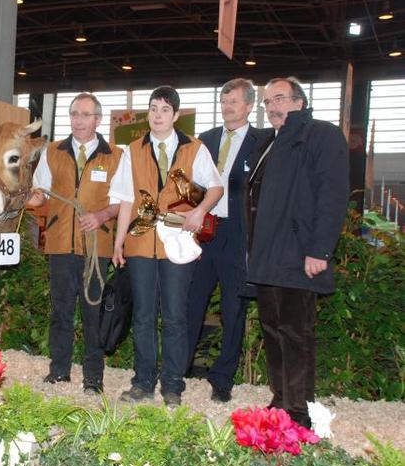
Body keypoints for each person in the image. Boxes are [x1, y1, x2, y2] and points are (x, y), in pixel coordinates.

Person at [111, 86, 223, 406]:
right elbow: (125, 200)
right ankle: (143, 380)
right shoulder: (132, 150)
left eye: (164, 109)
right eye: (152, 109)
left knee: (175, 315)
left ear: (176, 115)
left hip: (178, 243)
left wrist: (200, 211)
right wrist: (119, 243)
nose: (157, 115)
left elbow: (215, 188)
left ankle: (173, 383)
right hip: (141, 242)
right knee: (144, 315)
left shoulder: (194, 148)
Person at [246, 77, 348, 427]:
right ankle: (281, 399)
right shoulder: (270, 142)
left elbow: (332, 196)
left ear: (299, 102)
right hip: (267, 255)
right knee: (272, 328)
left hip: (299, 253)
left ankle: (300, 410)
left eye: (279, 99)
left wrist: (320, 249)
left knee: (295, 330)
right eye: (267, 102)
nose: (272, 107)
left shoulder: (322, 134)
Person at [26, 92, 123, 395]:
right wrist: (28, 198)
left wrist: (101, 215)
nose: (78, 121)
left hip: (97, 247)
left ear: (98, 119)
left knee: (93, 313)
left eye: (85, 115)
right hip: (59, 244)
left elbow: (124, 201)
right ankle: (59, 372)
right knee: (61, 311)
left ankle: (93, 377)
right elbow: (41, 193)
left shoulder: (116, 156)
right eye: (74, 114)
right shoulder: (52, 151)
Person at [186, 78, 272, 402]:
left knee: (233, 310)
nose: (227, 107)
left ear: (249, 106)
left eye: (234, 102)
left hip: (238, 234)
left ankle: (222, 379)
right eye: (224, 102)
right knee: (191, 303)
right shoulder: (204, 140)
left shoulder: (262, 141)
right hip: (203, 232)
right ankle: (177, 371)